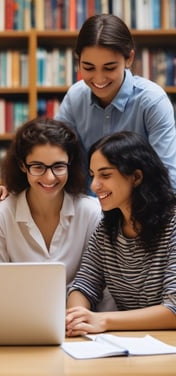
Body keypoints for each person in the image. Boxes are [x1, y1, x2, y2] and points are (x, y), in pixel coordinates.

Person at [0, 13, 176, 210]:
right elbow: (51, 151)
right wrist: (14, 187)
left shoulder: (152, 101)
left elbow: (167, 179)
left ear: (129, 58)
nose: (99, 78)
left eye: (109, 67)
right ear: (78, 62)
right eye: (88, 67)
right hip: (84, 211)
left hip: (137, 212)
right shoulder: (76, 96)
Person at [0, 118, 116, 309]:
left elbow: (104, 287)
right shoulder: (1, 216)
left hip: (83, 322)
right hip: (19, 322)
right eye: (38, 167)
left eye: (58, 167)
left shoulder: (91, 213)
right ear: (23, 166)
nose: (49, 177)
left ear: (70, 163)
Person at [66, 131, 176, 337]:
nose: (94, 185)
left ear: (136, 177)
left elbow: (174, 310)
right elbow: (84, 284)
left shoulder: (173, 223)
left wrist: (103, 320)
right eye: (92, 175)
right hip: (131, 345)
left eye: (105, 175)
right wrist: (76, 316)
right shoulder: (108, 228)